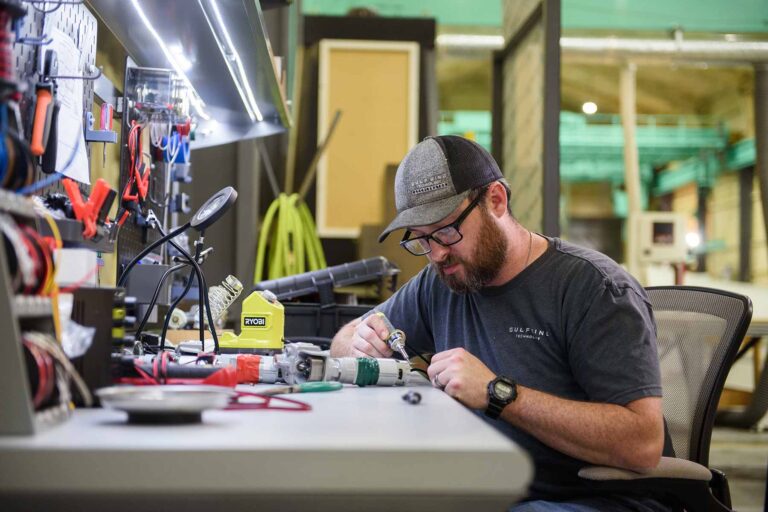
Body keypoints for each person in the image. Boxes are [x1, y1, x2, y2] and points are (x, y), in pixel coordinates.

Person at [330, 135, 672, 511]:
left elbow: (642, 444)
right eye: (422, 240)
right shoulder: (442, 281)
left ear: (496, 200)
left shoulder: (594, 288)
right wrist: (359, 341)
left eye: (446, 231)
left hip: (593, 501)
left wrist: (498, 393)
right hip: (490, 489)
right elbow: (345, 338)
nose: (438, 252)